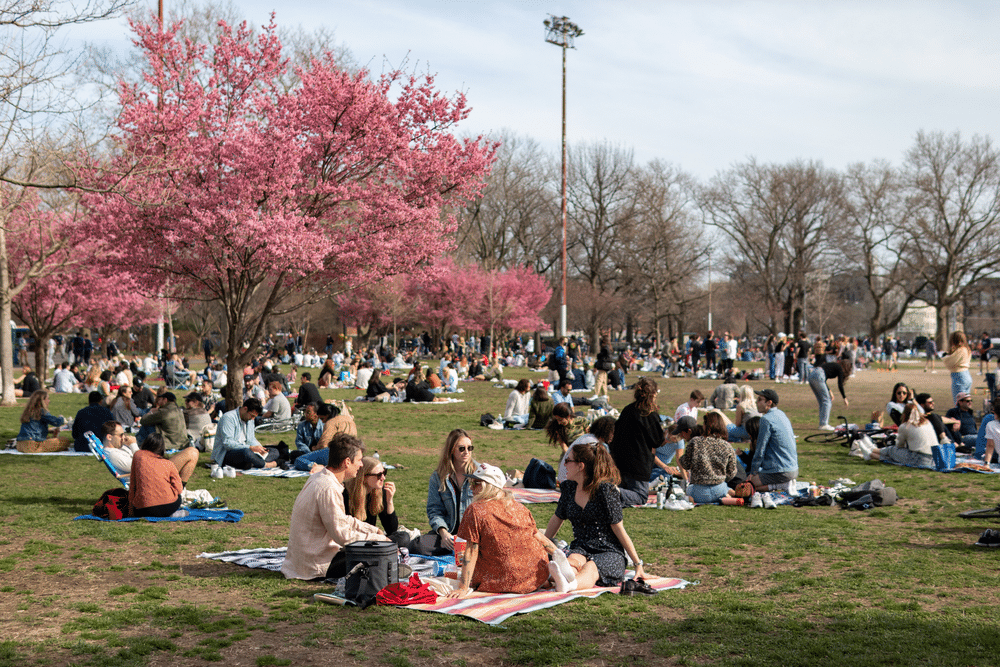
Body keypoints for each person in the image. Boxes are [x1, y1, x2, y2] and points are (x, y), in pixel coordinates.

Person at [447, 463, 567, 598]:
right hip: (533, 579)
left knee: (458, 564)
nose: (470, 486)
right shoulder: (520, 508)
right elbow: (538, 536)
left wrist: (463, 588)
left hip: (498, 581)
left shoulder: (476, 510)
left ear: (489, 486)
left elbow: (471, 551)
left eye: (476, 483)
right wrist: (558, 553)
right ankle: (551, 577)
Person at [281, 433, 391, 580]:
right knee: (379, 551)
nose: (361, 464)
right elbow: (343, 535)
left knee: (386, 543)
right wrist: (378, 540)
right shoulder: (328, 488)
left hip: (305, 560)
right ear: (347, 462)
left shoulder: (319, 478)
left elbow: (342, 519)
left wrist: (373, 530)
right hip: (316, 565)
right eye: (358, 460)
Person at [544, 442, 646, 589]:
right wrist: (542, 547)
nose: (564, 465)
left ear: (581, 466)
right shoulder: (569, 488)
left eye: (568, 461)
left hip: (609, 551)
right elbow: (557, 518)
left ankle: (569, 585)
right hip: (580, 547)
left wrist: (637, 564)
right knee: (573, 561)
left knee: (590, 568)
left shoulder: (606, 491)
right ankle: (562, 578)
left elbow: (619, 529)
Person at [610, 377, 665, 507]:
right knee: (640, 497)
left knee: (627, 490)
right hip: (638, 464)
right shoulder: (649, 414)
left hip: (620, 462)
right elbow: (657, 441)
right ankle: (610, 491)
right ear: (652, 394)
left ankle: (612, 491)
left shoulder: (627, 410)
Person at [422, 429, 477, 555]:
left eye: (470, 448)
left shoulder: (478, 475)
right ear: (451, 449)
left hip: (473, 536)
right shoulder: (438, 477)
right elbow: (434, 509)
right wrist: (443, 533)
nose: (467, 452)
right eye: (462, 448)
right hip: (449, 535)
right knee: (418, 545)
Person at [101, 420, 199, 484]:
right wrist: (133, 445)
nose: (123, 437)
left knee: (192, 453)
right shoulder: (113, 454)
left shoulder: (119, 448)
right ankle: (178, 491)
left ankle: (178, 490)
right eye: (120, 435)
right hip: (152, 478)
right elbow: (140, 463)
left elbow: (141, 458)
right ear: (109, 437)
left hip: (153, 471)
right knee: (192, 453)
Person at [679, 412, 738, 504]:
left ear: (706, 426)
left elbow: (685, 464)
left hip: (698, 491)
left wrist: (681, 456)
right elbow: (732, 472)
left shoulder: (695, 442)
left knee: (688, 489)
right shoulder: (727, 446)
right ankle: (728, 495)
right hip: (719, 489)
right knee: (725, 487)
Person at [749, 389, 798, 491]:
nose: (756, 402)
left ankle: (781, 485)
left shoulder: (766, 419)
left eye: (759, 399)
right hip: (792, 469)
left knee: (747, 485)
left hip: (780, 471)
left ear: (769, 403)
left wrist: (753, 472)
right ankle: (782, 484)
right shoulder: (781, 414)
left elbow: (760, 449)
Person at [212, 398, 281, 470]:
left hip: (248, 451)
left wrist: (260, 448)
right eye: (252, 415)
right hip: (228, 453)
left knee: (274, 451)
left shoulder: (250, 420)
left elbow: (251, 439)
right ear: (245, 409)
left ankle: (255, 462)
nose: (253, 419)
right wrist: (250, 448)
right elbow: (228, 443)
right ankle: (264, 464)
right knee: (246, 453)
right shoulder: (228, 418)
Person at [129, 433, 184, 518]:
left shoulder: (138, 456)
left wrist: (131, 509)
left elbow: (133, 484)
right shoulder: (169, 464)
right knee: (178, 497)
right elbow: (179, 489)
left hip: (144, 509)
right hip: (169, 505)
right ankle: (169, 514)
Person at [343, 456, 399, 538]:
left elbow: (392, 530)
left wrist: (389, 500)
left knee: (403, 537)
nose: (383, 478)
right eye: (379, 475)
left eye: (384, 472)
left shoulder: (379, 491)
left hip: (371, 538)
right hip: (352, 539)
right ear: (364, 477)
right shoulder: (345, 493)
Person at [868, 403, 936, 468]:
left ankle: (872, 450)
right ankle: (871, 454)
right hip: (933, 459)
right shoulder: (927, 422)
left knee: (892, 450)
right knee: (893, 456)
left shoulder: (905, 426)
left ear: (904, 414)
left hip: (918, 458)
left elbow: (899, 445)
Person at [558, 415, 615, 484]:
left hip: (566, 479)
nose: (613, 435)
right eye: (612, 432)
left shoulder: (588, 437)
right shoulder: (593, 443)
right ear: (606, 431)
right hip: (569, 482)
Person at [807, 359, 852, 430]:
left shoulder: (834, 365)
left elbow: (823, 378)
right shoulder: (840, 368)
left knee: (822, 402)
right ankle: (824, 424)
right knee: (827, 402)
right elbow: (840, 385)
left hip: (812, 374)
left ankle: (822, 424)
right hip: (819, 375)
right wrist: (844, 398)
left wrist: (830, 391)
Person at [943, 331, 972, 404]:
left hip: (959, 375)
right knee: (966, 401)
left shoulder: (961, 350)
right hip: (965, 375)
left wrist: (945, 356)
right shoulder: (966, 349)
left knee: (959, 402)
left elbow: (949, 362)